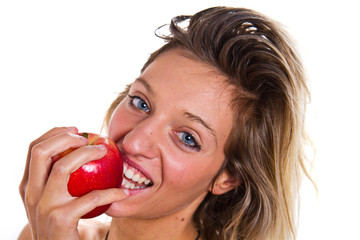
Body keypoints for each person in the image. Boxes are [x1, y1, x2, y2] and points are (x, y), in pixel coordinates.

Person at [18, 6, 311, 240]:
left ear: (227, 178)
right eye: (141, 103)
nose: (133, 142)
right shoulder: (48, 234)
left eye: (187, 138)